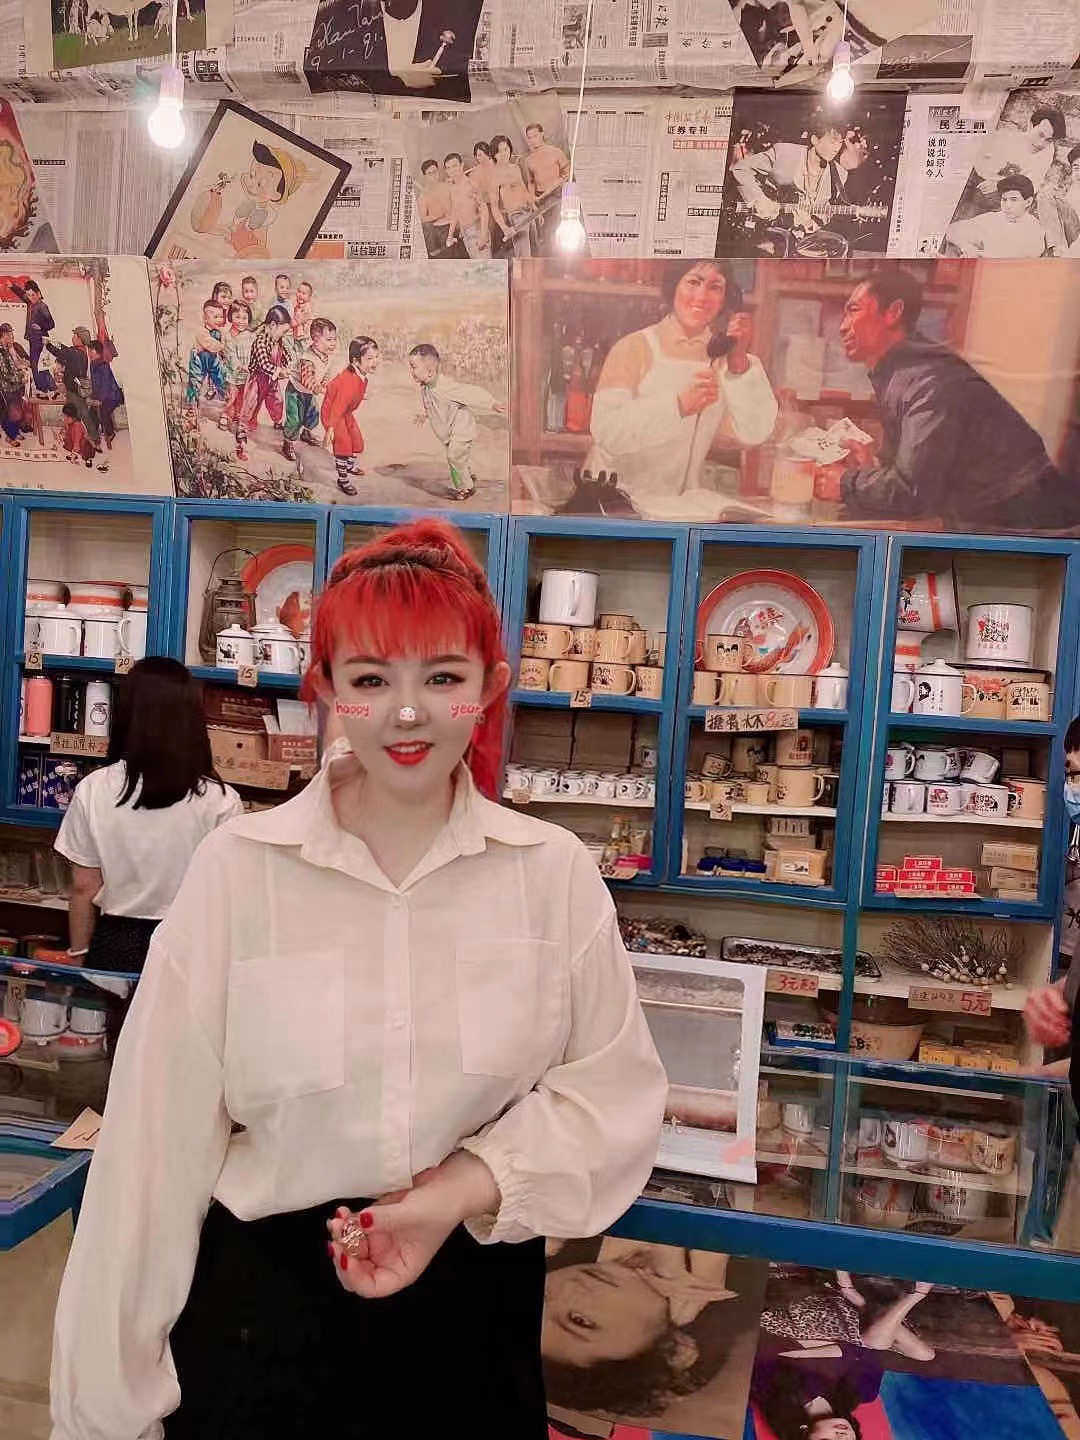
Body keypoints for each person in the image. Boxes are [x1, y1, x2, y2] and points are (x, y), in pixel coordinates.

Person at [50, 518, 667, 1438]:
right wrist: (105, 1411)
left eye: (443, 678)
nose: (406, 714)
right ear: (327, 689)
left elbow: (614, 1100)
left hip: (470, 1319)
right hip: (261, 1319)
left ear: (490, 688)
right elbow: (150, 1159)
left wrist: (460, 1187)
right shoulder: (240, 871)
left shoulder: (551, 876)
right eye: (371, 679)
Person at [53, 658, 243, 1061]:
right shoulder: (221, 801)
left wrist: (79, 953)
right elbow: (230, 899)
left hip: (116, 943)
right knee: (185, 1065)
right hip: (189, 944)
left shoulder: (94, 790)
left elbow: (84, 888)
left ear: (127, 714)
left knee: (123, 1063)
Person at [827, 267, 1080, 532]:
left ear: (893, 312)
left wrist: (846, 483)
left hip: (1025, 521)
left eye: (853, 310)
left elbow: (912, 491)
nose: (843, 327)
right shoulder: (902, 372)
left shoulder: (927, 380)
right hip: (995, 515)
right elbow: (915, 472)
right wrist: (872, 469)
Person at [584, 259, 778, 516]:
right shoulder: (634, 348)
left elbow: (756, 433)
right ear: (674, 286)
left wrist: (738, 359)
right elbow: (607, 431)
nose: (702, 296)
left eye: (715, 287)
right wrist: (677, 406)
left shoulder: (726, 359)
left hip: (679, 509)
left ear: (726, 300)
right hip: (617, 504)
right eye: (693, 282)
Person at [543, 1236, 758, 1421]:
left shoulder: (558, 1233)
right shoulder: (747, 1279)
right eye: (580, 1320)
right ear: (675, 1350)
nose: (568, 1287)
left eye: (543, 1298)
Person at [727, 109, 846, 249]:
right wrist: (759, 199)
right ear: (815, 140)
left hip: (800, 238)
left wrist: (810, 223)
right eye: (832, 142)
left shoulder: (839, 174)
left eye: (840, 143)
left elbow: (826, 211)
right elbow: (741, 169)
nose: (837, 148)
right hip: (765, 228)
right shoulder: (784, 153)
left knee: (840, 245)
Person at [408, 341, 506, 501]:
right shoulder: (426, 387)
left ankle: (465, 487)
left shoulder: (446, 387)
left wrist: (491, 403)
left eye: (414, 367)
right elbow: (430, 405)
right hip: (448, 431)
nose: (411, 371)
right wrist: (424, 415)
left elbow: (470, 393)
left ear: (430, 372)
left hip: (461, 429)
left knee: (454, 456)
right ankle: (466, 475)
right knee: (458, 457)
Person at [321, 333, 380, 496]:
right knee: (344, 446)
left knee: (357, 443)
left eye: (376, 357)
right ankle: (343, 480)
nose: (375, 361)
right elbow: (337, 406)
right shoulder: (348, 381)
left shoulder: (361, 376)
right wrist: (330, 429)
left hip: (345, 412)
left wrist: (361, 395)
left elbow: (352, 396)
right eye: (369, 358)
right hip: (333, 415)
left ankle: (348, 466)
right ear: (355, 361)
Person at [234, 304, 291, 462]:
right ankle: (242, 429)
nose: (284, 335)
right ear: (273, 325)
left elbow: (285, 355)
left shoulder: (278, 340)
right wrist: (280, 371)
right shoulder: (260, 342)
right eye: (283, 331)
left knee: (277, 401)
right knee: (250, 404)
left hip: (272, 380)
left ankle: (277, 421)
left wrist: (288, 364)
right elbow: (264, 364)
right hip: (258, 379)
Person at [945, 174, 1047, 258]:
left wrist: (978, 254)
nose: (1007, 206)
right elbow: (951, 230)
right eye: (1004, 199)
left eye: (1014, 200)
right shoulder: (995, 217)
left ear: (1028, 202)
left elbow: (1016, 259)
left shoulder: (1033, 229)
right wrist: (967, 247)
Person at [282, 315, 338, 462]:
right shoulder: (307, 358)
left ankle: (306, 433)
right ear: (315, 340)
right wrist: (320, 388)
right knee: (294, 419)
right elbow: (307, 380)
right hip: (296, 391)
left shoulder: (328, 356)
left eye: (334, 339)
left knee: (312, 414)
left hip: (309, 392)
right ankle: (288, 442)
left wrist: (326, 383)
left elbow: (326, 373)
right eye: (329, 339)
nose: (333, 343)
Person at [45, 325, 100, 448]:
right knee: (78, 414)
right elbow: (65, 353)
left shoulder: (75, 352)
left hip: (73, 389)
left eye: (74, 335)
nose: (73, 337)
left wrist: (48, 345)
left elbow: (61, 352)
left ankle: (92, 439)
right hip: (77, 388)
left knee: (76, 414)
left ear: (80, 338)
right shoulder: (82, 352)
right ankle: (84, 438)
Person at [490, 133, 538, 258]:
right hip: (516, 216)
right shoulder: (493, 176)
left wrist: (535, 208)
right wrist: (504, 228)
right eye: (499, 151)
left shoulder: (515, 168)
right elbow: (494, 207)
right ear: (494, 154)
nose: (503, 154)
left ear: (510, 149)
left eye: (505, 149)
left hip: (529, 212)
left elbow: (523, 190)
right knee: (524, 257)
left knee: (536, 251)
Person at [183, 299, 228, 423]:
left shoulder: (219, 332)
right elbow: (213, 346)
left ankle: (227, 403)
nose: (219, 320)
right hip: (199, 360)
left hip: (212, 359)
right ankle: (192, 407)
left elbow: (220, 348)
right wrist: (223, 345)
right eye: (215, 317)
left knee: (220, 378)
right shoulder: (201, 332)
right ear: (205, 318)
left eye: (221, 316)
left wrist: (223, 352)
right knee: (195, 382)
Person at [444, 151, 490, 259]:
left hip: (477, 230)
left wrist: (483, 235)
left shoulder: (471, 184)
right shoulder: (453, 189)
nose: (452, 170)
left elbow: (484, 209)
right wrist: (450, 236)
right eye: (449, 168)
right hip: (465, 234)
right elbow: (455, 212)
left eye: (455, 166)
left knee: (486, 265)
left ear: (462, 165)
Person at [10, 278, 54, 391]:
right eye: (29, 295)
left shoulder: (42, 306)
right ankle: (49, 387)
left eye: (33, 295)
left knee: (38, 365)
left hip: (40, 339)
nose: (30, 298)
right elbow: (22, 294)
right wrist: (12, 286)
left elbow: (51, 324)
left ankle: (43, 388)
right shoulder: (30, 303)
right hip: (33, 339)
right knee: (39, 364)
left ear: (38, 293)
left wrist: (41, 327)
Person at [220, 300, 255, 433]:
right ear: (230, 317)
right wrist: (241, 366)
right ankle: (225, 415)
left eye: (244, 318)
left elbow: (254, 350)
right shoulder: (228, 336)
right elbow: (230, 355)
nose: (241, 321)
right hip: (233, 375)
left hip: (246, 375)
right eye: (237, 317)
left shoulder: (250, 335)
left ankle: (237, 415)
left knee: (242, 397)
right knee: (231, 397)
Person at [87, 339, 124, 457]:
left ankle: (110, 433)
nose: (89, 353)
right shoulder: (92, 364)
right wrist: (93, 398)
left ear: (96, 351)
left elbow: (105, 385)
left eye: (90, 350)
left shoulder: (104, 365)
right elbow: (95, 384)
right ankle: (94, 437)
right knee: (92, 412)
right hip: (101, 396)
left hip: (112, 396)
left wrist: (100, 400)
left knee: (103, 412)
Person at [418, 158, 454, 254]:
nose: (433, 175)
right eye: (430, 174)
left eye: (435, 172)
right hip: (440, 227)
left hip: (454, 223)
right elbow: (422, 219)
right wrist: (435, 216)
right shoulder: (423, 196)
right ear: (425, 176)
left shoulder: (448, 186)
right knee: (428, 227)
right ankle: (436, 252)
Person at [0, 322, 24, 446]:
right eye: (9, 334)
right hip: (6, 388)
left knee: (16, 410)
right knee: (10, 412)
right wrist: (20, 378)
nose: (11, 336)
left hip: (13, 386)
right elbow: (5, 375)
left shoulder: (7, 349)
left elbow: (14, 367)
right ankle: (10, 437)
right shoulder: (1, 351)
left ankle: (14, 432)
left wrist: (20, 374)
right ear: (4, 335)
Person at [59, 401, 95, 467]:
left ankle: (87, 459)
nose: (65, 418)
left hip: (83, 444)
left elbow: (77, 442)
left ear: (73, 417)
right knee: (66, 440)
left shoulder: (77, 426)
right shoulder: (69, 422)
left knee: (85, 449)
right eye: (64, 416)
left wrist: (73, 458)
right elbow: (65, 430)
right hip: (75, 442)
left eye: (66, 417)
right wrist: (62, 433)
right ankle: (75, 453)